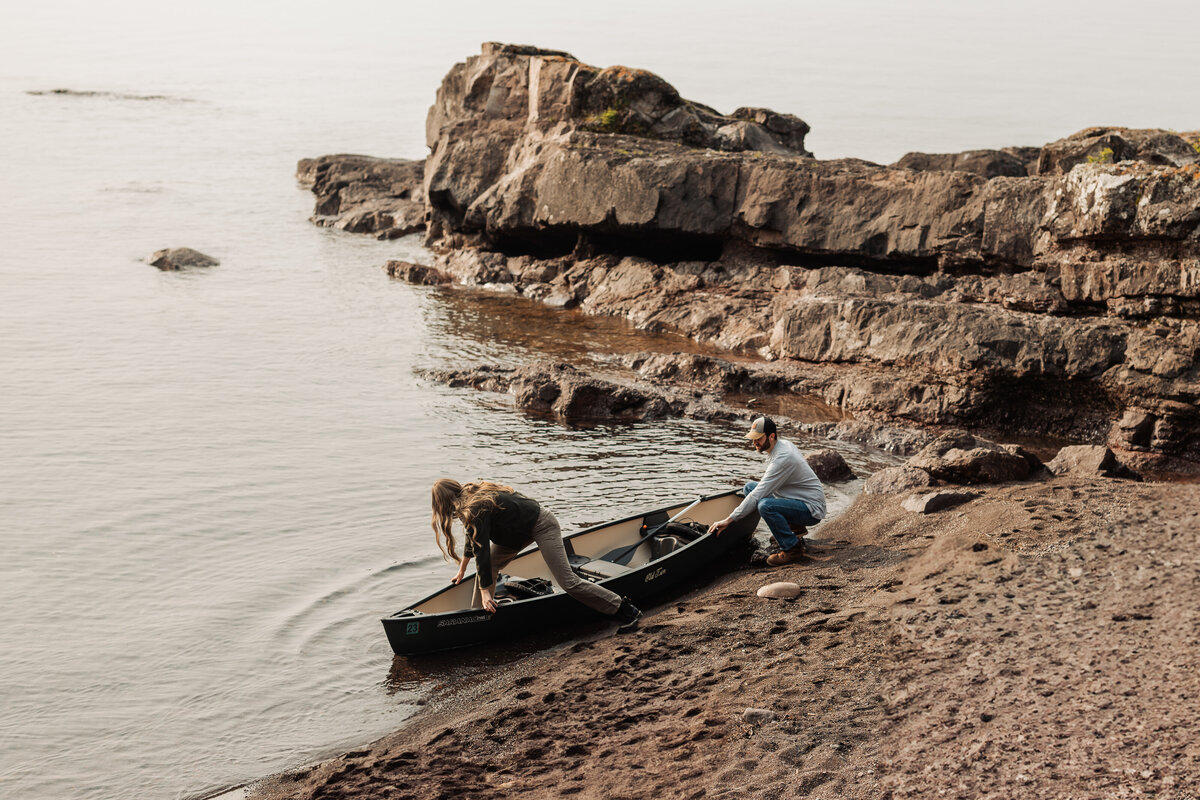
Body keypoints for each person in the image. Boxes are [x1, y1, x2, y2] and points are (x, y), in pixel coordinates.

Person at [430, 479, 642, 630]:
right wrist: (462, 569)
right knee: (489, 568)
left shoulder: (475, 505)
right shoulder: (469, 502)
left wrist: (486, 592)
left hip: (541, 525)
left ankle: (625, 609)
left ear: (443, 504)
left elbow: (482, 550)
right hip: (515, 535)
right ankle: (477, 620)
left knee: (568, 581)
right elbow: (474, 538)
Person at [707, 416, 827, 566]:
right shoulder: (782, 445)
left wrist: (729, 519)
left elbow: (758, 495)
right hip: (798, 499)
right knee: (749, 487)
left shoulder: (782, 458)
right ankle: (794, 528)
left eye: (758, 438)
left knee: (765, 505)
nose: (754, 443)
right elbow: (759, 490)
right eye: (753, 438)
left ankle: (792, 549)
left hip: (811, 509)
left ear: (771, 436)